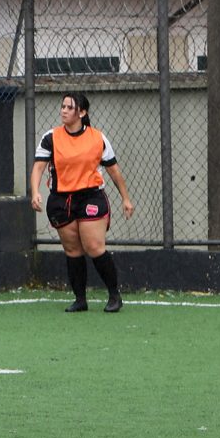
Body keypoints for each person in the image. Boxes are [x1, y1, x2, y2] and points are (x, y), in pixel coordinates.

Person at [31, 91, 135, 312]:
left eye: (70, 107)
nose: (64, 111)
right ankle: (80, 299)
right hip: (61, 199)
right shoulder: (51, 137)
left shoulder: (97, 138)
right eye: (63, 107)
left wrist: (125, 198)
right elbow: (39, 166)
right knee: (73, 250)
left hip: (90, 196)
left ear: (82, 112)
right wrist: (35, 192)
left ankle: (114, 295)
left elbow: (114, 171)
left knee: (94, 246)